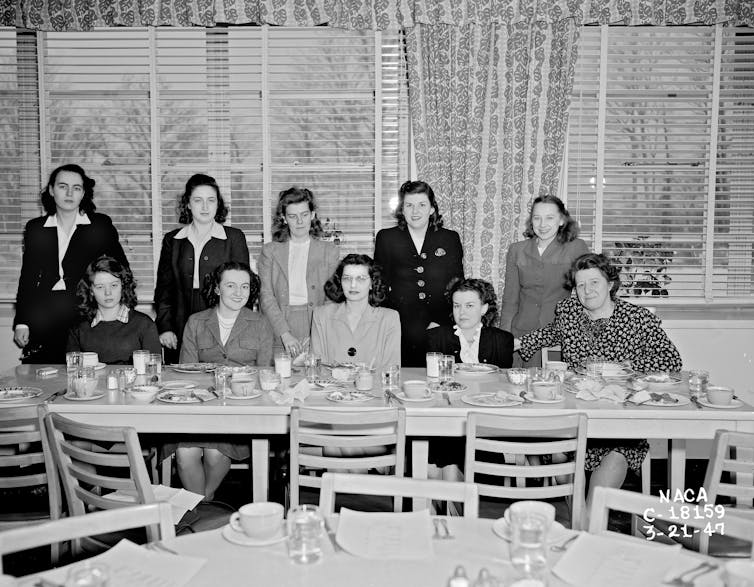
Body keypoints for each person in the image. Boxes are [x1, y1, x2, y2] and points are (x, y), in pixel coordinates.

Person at [518, 252, 682, 522]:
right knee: (558, 452)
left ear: (610, 284)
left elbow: (671, 359)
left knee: (613, 462)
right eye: (580, 285)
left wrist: (627, 366)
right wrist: (503, 342)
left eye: (594, 282)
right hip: (576, 419)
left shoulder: (637, 318)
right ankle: (583, 529)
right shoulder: (568, 312)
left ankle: (583, 528)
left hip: (618, 423)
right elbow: (548, 333)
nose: (587, 290)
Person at [175, 261, 273, 500]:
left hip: (240, 410)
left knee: (214, 454)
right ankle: (204, 505)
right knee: (185, 453)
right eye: (231, 285)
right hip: (199, 407)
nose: (239, 293)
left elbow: (264, 375)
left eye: (245, 286)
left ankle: (198, 505)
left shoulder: (260, 323)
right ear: (217, 289)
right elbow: (186, 373)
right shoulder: (196, 322)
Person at [13, 164, 129, 363]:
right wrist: (22, 322)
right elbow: (28, 278)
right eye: (62, 186)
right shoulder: (36, 228)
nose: (69, 193)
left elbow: (122, 270)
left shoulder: (99, 225)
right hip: (45, 316)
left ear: (83, 193)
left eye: (76, 188)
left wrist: (121, 307)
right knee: (46, 377)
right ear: (51, 190)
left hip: (87, 312)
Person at [154, 174, 249, 363]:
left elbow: (244, 289)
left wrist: (237, 328)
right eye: (198, 200)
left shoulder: (234, 238)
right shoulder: (172, 240)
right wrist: (166, 327)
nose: (205, 207)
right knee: (183, 381)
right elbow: (165, 289)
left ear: (218, 204)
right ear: (188, 204)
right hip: (181, 319)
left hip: (222, 318)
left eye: (211, 200)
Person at [374, 180, 463, 367]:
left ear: (432, 209)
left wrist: (442, 323)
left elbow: (457, 287)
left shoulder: (449, 238)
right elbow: (379, 287)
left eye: (422, 205)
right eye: (409, 205)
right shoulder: (386, 238)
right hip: (400, 328)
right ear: (402, 209)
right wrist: (390, 325)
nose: (415, 212)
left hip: (440, 326)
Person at [500, 194, 589, 367]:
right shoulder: (516, 250)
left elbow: (586, 293)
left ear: (561, 220)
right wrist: (505, 337)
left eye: (549, 218)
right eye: (537, 218)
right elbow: (510, 299)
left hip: (558, 334)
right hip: (521, 334)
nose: (542, 225)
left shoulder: (576, 247)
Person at [258, 187, 340, 357]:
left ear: (313, 214)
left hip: (317, 322)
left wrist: (316, 334)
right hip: (278, 324)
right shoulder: (270, 251)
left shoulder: (329, 251)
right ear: (284, 218)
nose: (300, 222)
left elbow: (332, 297)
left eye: (304, 214)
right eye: (292, 216)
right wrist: (285, 334)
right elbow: (266, 295)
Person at [311, 254, 400, 370]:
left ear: (372, 283)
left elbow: (391, 371)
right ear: (340, 282)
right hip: (331, 387)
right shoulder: (321, 315)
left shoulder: (389, 318)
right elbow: (317, 368)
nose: (353, 285)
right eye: (347, 278)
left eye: (361, 279)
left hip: (374, 387)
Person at [67, 256, 161, 364]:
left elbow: (154, 373)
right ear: (91, 290)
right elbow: (73, 373)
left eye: (114, 285)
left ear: (123, 286)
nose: (108, 293)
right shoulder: (78, 328)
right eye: (100, 287)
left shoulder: (144, 324)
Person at [427, 278, 514, 368]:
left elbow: (502, 379)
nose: (461, 312)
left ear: (484, 309)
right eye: (457, 306)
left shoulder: (502, 340)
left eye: (469, 306)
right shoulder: (435, 337)